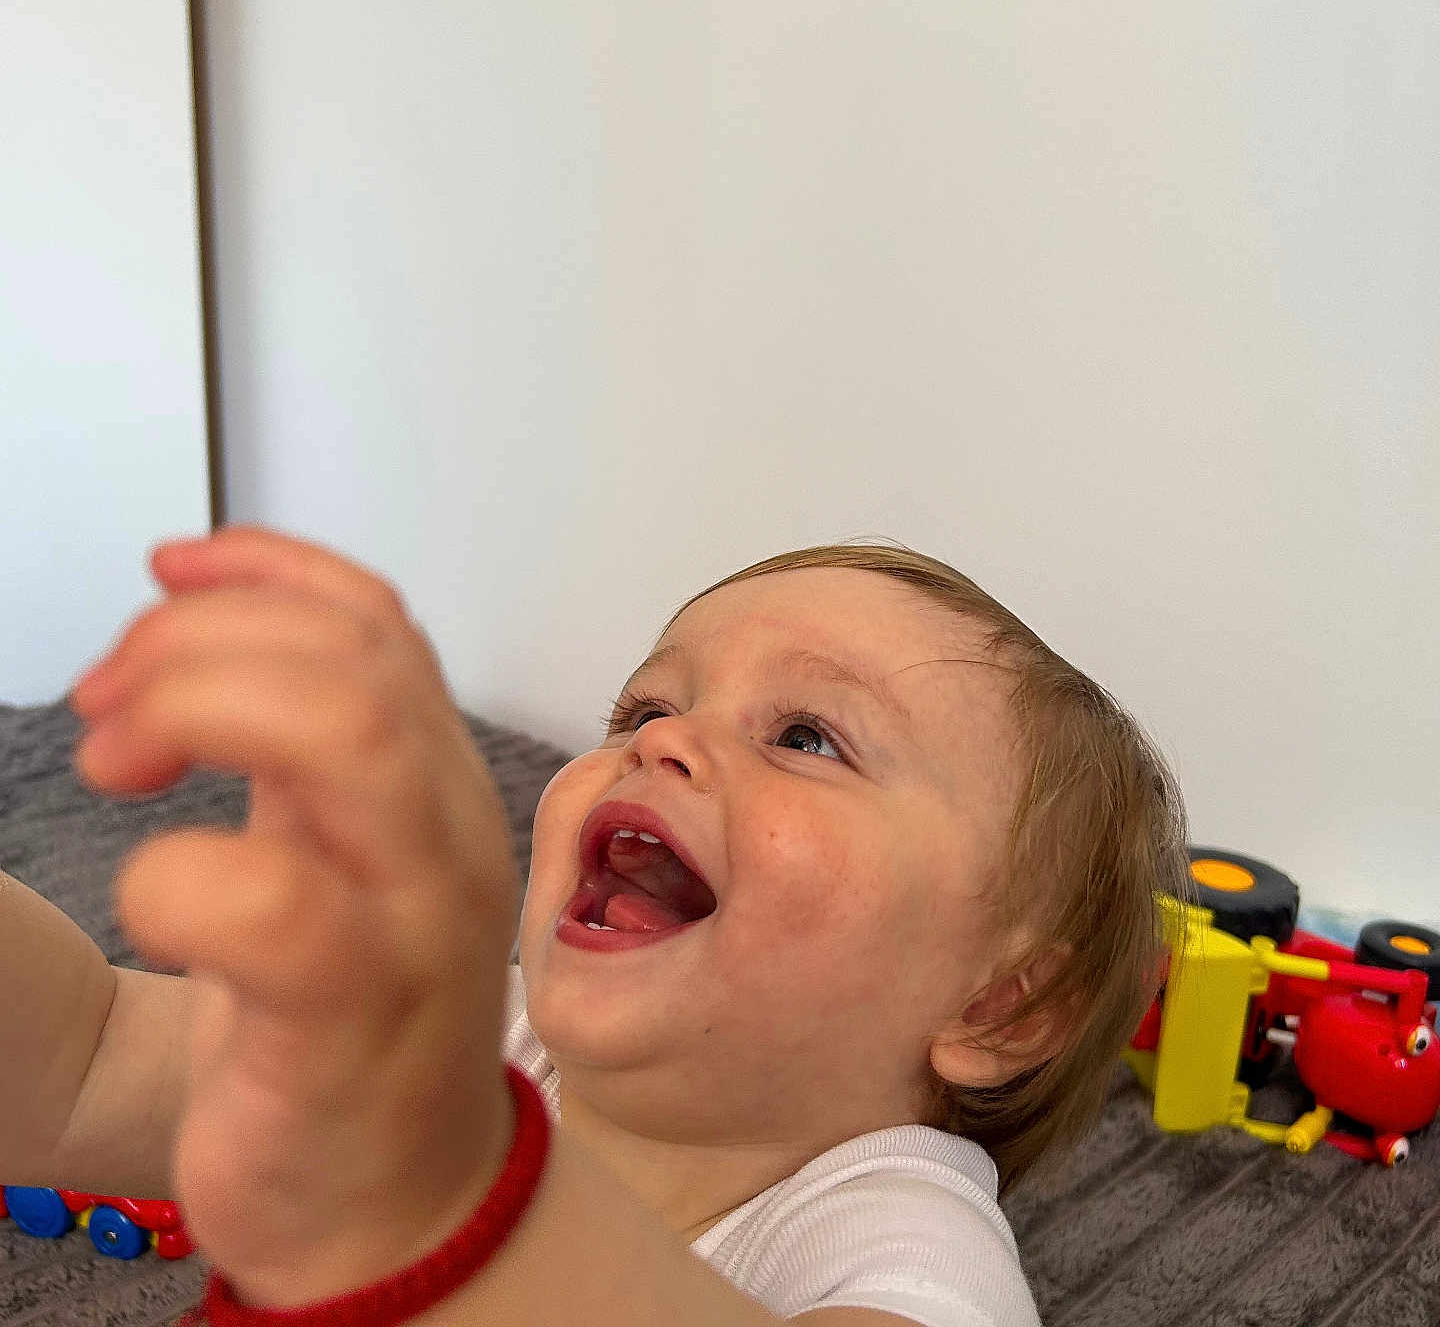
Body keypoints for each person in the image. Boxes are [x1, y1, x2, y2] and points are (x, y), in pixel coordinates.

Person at [0, 525, 1190, 1327]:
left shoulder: (898, 1236)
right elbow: (89, 1060)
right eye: (649, 703)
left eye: (807, 737)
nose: (660, 741)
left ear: (1003, 1003)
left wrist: (442, 1189)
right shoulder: (499, 1034)